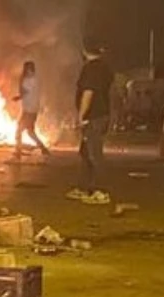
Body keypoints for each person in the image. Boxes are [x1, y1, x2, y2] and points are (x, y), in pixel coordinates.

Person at [68, 42, 113, 205]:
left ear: (84, 51)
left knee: (94, 154)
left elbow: (88, 92)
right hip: (101, 115)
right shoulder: (104, 67)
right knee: (86, 152)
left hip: (93, 117)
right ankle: (84, 188)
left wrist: (81, 116)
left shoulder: (91, 68)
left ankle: (100, 191)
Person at [12, 60, 50, 159]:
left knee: (19, 130)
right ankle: (43, 148)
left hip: (29, 110)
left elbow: (23, 91)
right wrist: (19, 97)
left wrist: (20, 81)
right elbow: (26, 93)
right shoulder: (36, 79)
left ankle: (18, 151)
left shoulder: (29, 80)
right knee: (30, 131)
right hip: (32, 109)